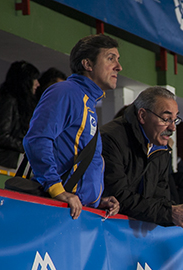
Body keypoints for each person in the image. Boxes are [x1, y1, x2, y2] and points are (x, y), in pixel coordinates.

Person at [23, 34, 120, 220]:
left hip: (75, 212)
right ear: (87, 64)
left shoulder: (87, 102)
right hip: (56, 211)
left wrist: (95, 200)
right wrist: (56, 189)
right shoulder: (65, 92)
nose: (119, 66)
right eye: (110, 58)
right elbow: (37, 140)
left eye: (118, 59)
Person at [101, 86, 183, 230]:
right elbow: (119, 197)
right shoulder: (111, 139)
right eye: (166, 119)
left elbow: (160, 198)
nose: (172, 128)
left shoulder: (160, 148)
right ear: (142, 116)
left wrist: (178, 215)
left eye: (175, 120)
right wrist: (169, 213)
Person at [0, 60, 40, 170]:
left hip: (5, 161)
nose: (37, 83)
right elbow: (2, 136)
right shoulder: (7, 101)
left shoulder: (14, 101)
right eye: (34, 79)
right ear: (25, 81)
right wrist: (26, 146)